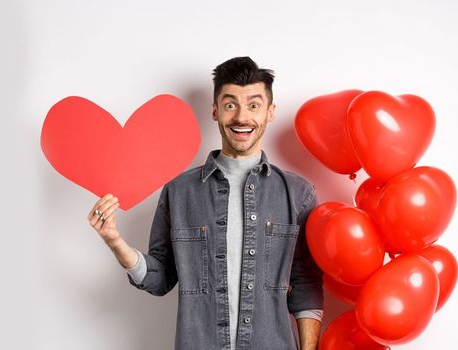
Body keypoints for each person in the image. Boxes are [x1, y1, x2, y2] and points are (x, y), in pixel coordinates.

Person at [86, 56, 323, 350]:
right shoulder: (179, 192)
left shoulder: (298, 194)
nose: (241, 117)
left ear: (270, 112)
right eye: (230, 104)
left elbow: (306, 288)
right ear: (215, 111)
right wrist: (114, 241)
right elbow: (159, 279)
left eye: (253, 105)